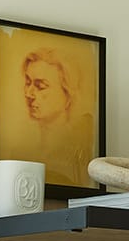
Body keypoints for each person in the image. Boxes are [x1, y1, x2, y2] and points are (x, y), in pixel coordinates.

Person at [20, 47, 96, 185]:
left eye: (41, 86)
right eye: (27, 83)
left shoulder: (81, 150)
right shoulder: (18, 150)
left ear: (67, 94)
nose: (29, 93)